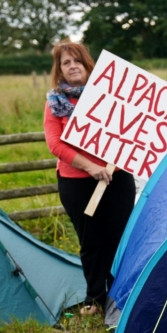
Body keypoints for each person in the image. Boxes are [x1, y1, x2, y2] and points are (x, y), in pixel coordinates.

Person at [44, 42, 135, 315]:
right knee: (91, 241)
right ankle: (95, 298)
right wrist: (91, 167)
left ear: (88, 65)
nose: (73, 66)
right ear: (59, 70)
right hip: (76, 181)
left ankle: (120, 296)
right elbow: (55, 144)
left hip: (116, 178)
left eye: (77, 61)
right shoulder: (55, 102)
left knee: (117, 238)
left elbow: (133, 129)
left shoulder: (110, 97)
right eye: (66, 63)